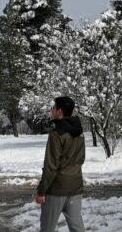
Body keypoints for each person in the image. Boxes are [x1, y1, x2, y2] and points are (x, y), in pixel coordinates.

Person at [35, 96, 86, 232]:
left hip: (57, 189)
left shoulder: (57, 134)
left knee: (47, 228)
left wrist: (41, 191)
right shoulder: (79, 133)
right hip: (75, 186)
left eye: (53, 108)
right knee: (77, 228)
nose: (51, 110)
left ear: (59, 111)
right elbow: (81, 159)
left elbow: (51, 165)